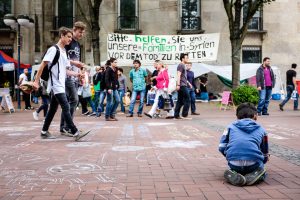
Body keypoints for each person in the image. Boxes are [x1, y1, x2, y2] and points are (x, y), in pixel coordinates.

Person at [33, 27, 90, 141]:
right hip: (55, 85)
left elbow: (65, 70)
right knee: (66, 106)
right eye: (68, 37)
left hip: (61, 84)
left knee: (53, 109)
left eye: (70, 37)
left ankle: (44, 131)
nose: (70, 39)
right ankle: (75, 132)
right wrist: (35, 81)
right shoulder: (54, 49)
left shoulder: (64, 51)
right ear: (62, 36)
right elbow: (43, 65)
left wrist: (77, 74)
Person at [219, 103, 269, 186]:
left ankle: (234, 173)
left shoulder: (230, 127)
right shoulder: (262, 129)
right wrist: (264, 160)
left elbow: (221, 147)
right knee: (262, 169)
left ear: (237, 116)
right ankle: (255, 175)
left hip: (234, 163)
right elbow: (265, 150)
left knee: (235, 166)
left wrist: (230, 155)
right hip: (253, 164)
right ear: (255, 116)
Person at [60, 21, 86, 133]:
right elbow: (63, 59)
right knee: (74, 100)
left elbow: (77, 60)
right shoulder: (68, 42)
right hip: (67, 75)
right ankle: (67, 126)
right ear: (74, 29)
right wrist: (75, 65)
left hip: (74, 76)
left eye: (83, 33)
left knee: (68, 102)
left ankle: (64, 127)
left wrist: (80, 72)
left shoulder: (78, 45)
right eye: (80, 32)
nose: (81, 34)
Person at [174, 53, 191, 119]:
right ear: (183, 59)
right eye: (186, 58)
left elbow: (184, 77)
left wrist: (188, 83)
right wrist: (178, 84)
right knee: (188, 99)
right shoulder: (181, 65)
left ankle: (176, 115)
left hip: (183, 84)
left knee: (180, 100)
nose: (187, 59)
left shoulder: (183, 65)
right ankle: (184, 114)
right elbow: (178, 75)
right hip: (182, 85)